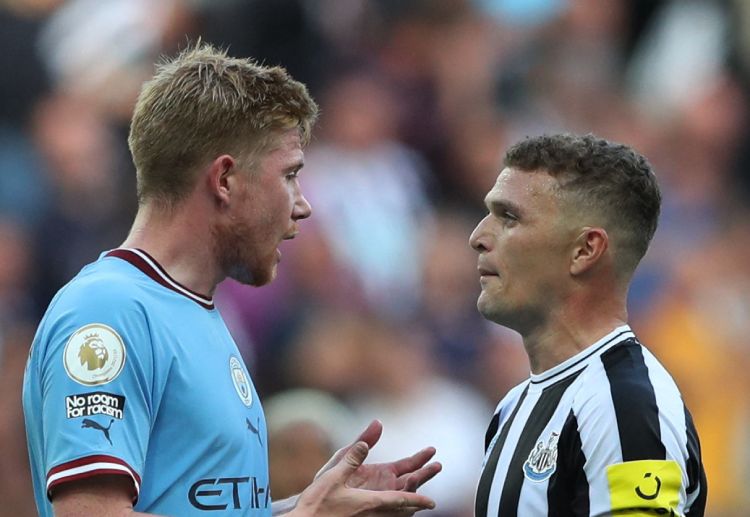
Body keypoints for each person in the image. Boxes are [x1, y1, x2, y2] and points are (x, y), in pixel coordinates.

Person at [22, 44, 441, 517]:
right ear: (224, 179)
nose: (303, 205)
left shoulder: (196, 313)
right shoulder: (109, 310)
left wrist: (311, 506)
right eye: (290, 176)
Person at [469, 133, 707, 516]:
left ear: (585, 250)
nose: (478, 237)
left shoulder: (625, 407)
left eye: (509, 217)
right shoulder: (513, 407)